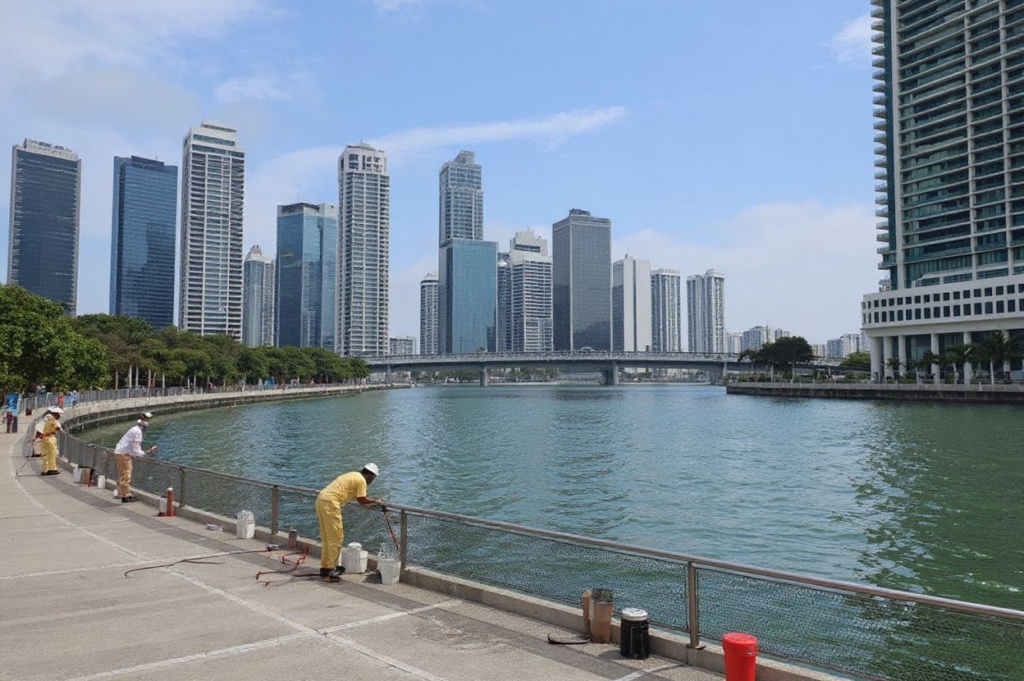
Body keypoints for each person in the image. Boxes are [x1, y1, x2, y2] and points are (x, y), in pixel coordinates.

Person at [315, 463, 385, 581]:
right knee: (337, 538)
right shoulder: (361, 481)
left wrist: (370, 503)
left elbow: (356, 497)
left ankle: (325, 567)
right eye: (372, 479)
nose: (371, 482)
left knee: (327, 537)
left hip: (321, 500)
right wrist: (376, 501)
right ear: (369, 475)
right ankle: (331, 569)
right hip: (331, 503)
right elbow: (362, 499)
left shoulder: (353, 475)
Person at [113, 413, 158, 503]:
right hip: (123, 454)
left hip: (120, 452)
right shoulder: (137, 433)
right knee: (126, 475)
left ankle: (123, 494)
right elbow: (136, 450)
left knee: (123, 475)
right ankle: (126, 496)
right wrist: (148, 452)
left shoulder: (134, 429)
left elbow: (133, 449)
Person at [36, 407, 63, 475]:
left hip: (44, 438)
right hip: (50, 438)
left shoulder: (46, 419)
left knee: (45, 454)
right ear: (56, 414)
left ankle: (45, 469)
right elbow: (58, 427)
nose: (59, 416)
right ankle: (52, 469)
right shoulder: (53, 420)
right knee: (52, 454)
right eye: (59, 414)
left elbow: (39, 428)